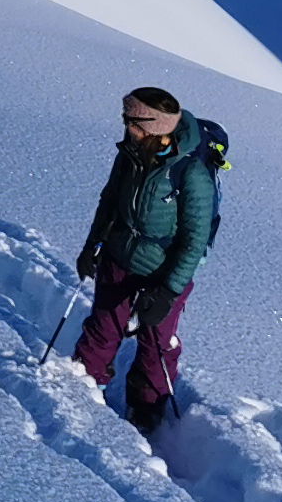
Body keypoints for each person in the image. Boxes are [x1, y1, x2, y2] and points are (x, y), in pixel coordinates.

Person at [69, 85, 219, 436]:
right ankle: (79, 393)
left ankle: (147, 415)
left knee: (155, 343)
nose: (126, 127)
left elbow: (194, 239)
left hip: (164, 269)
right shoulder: (130, 153)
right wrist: (91, 246)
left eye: (132, 122)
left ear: (154, 127)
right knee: (103, 328)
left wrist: (168, 290)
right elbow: (110, 202)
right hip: (120, 255)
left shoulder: (191, 173)